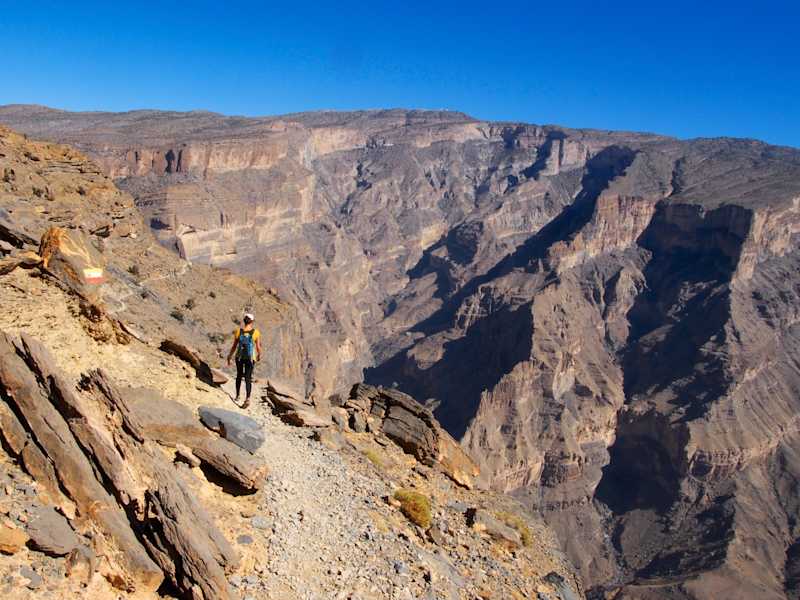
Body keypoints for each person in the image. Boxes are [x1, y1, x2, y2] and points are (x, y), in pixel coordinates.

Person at [227, 312, 262, 408]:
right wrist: (259, 355)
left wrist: (229, 356)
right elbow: (258, 347)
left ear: (244, 321)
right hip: (250, 358)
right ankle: (248, 398)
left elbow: (234, 346)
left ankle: (237, 396)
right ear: (252, 321)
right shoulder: (256, 332)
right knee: (248, 377)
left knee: (239, 375)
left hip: (239, 356)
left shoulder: (238, 331)